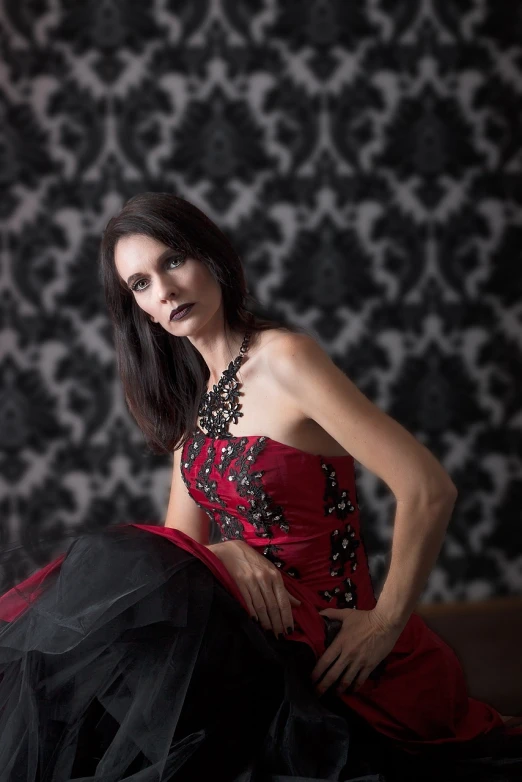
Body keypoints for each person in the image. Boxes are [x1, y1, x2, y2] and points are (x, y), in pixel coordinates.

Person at [0, 192, 520, 781]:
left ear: (212, 258)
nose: (164, 291)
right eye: (140, 284)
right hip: (251, 646)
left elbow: (428, 487)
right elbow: (172, 564)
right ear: (139, 310)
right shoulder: (192, 405)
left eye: (173, 261)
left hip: (337, 655)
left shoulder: (285, 358)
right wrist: (223, 550)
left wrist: (386, 622)